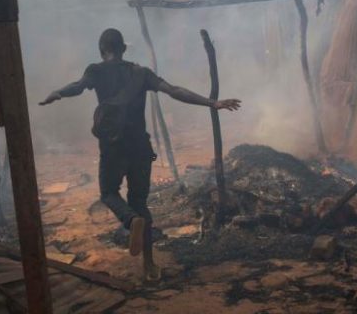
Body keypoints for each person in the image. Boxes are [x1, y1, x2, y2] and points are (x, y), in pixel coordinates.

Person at [39, 28, 241, 281]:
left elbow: (78, 87)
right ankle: (149, 265)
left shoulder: (96, 70)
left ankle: (129, 219)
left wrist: (57, 93)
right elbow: (174, 90)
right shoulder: (141, 73)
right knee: (140, 202)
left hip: (113, 149)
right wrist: (212, 103)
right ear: (123, 49)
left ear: (102, 51)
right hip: (140, 149)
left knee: (109, 193)